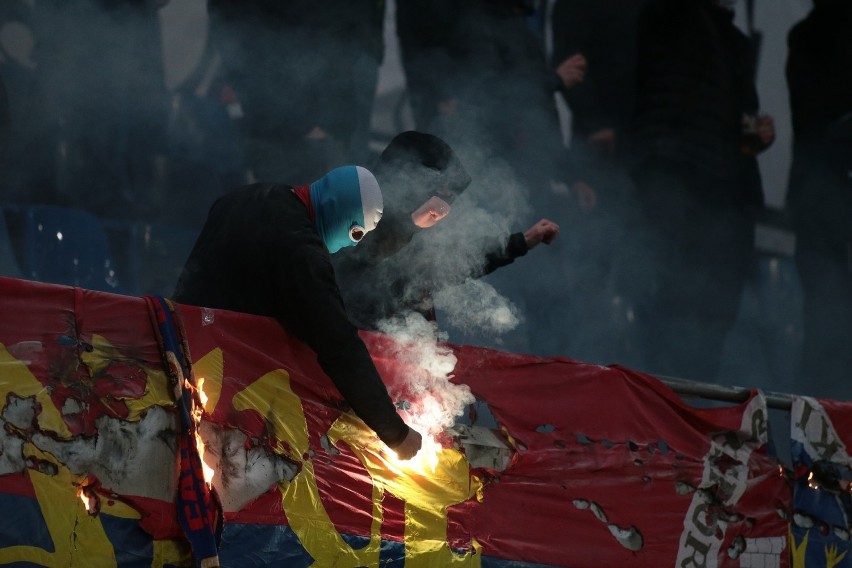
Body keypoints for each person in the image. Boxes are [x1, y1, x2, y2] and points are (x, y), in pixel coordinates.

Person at [173, 165, 423, 460]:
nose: (349, 245)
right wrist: (395, 432)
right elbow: (339, 345)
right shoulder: (301, 251)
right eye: (356, 233)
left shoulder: (248, 195)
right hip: (219, 377)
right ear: (339, 211)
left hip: (176, 336)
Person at [629, 0, 775, 382]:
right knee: (669, 299)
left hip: (727, 191)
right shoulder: (668, 17)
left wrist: (759, 134)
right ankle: (659, 404)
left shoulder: (735, 41)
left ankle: (695, 402)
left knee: (717, 310)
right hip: (675, 176)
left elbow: (745, 115)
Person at [333, 131, 560, 332]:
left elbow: (460, 261)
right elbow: (364, 257)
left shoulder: (424, 229)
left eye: (449, 194)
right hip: (365, 349)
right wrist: (412, 223)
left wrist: (523, 241)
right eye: (438, 189)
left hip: (413, 357)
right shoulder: (355, 217)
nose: (442, 203)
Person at [785, 0, 852, 398]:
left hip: (821, 204)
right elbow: (817, 127)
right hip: (826, 205)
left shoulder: (809, 37)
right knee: (829, 330)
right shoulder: (815, 38)